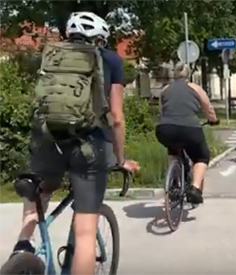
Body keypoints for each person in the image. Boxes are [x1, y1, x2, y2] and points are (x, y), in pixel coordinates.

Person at [11, 11, 140, 275]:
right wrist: (120, 158)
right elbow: (116, 118)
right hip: (89, 146)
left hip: (47, 139)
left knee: (40, 195)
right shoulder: (110, 59)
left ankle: (23, 247)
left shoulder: (51, 55)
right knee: (84, 232)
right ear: (100, 39)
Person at [155, 62, 217, 205]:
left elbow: (161, 111)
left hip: (165, 128)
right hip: (189, 128)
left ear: (174, 75)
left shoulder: (165, 90)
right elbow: (208, 108)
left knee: (173, 151)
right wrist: (212, 119)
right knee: (202, 156)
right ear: (188, 76)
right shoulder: (196, 88)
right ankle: (195, 189)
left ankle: (174, 184)